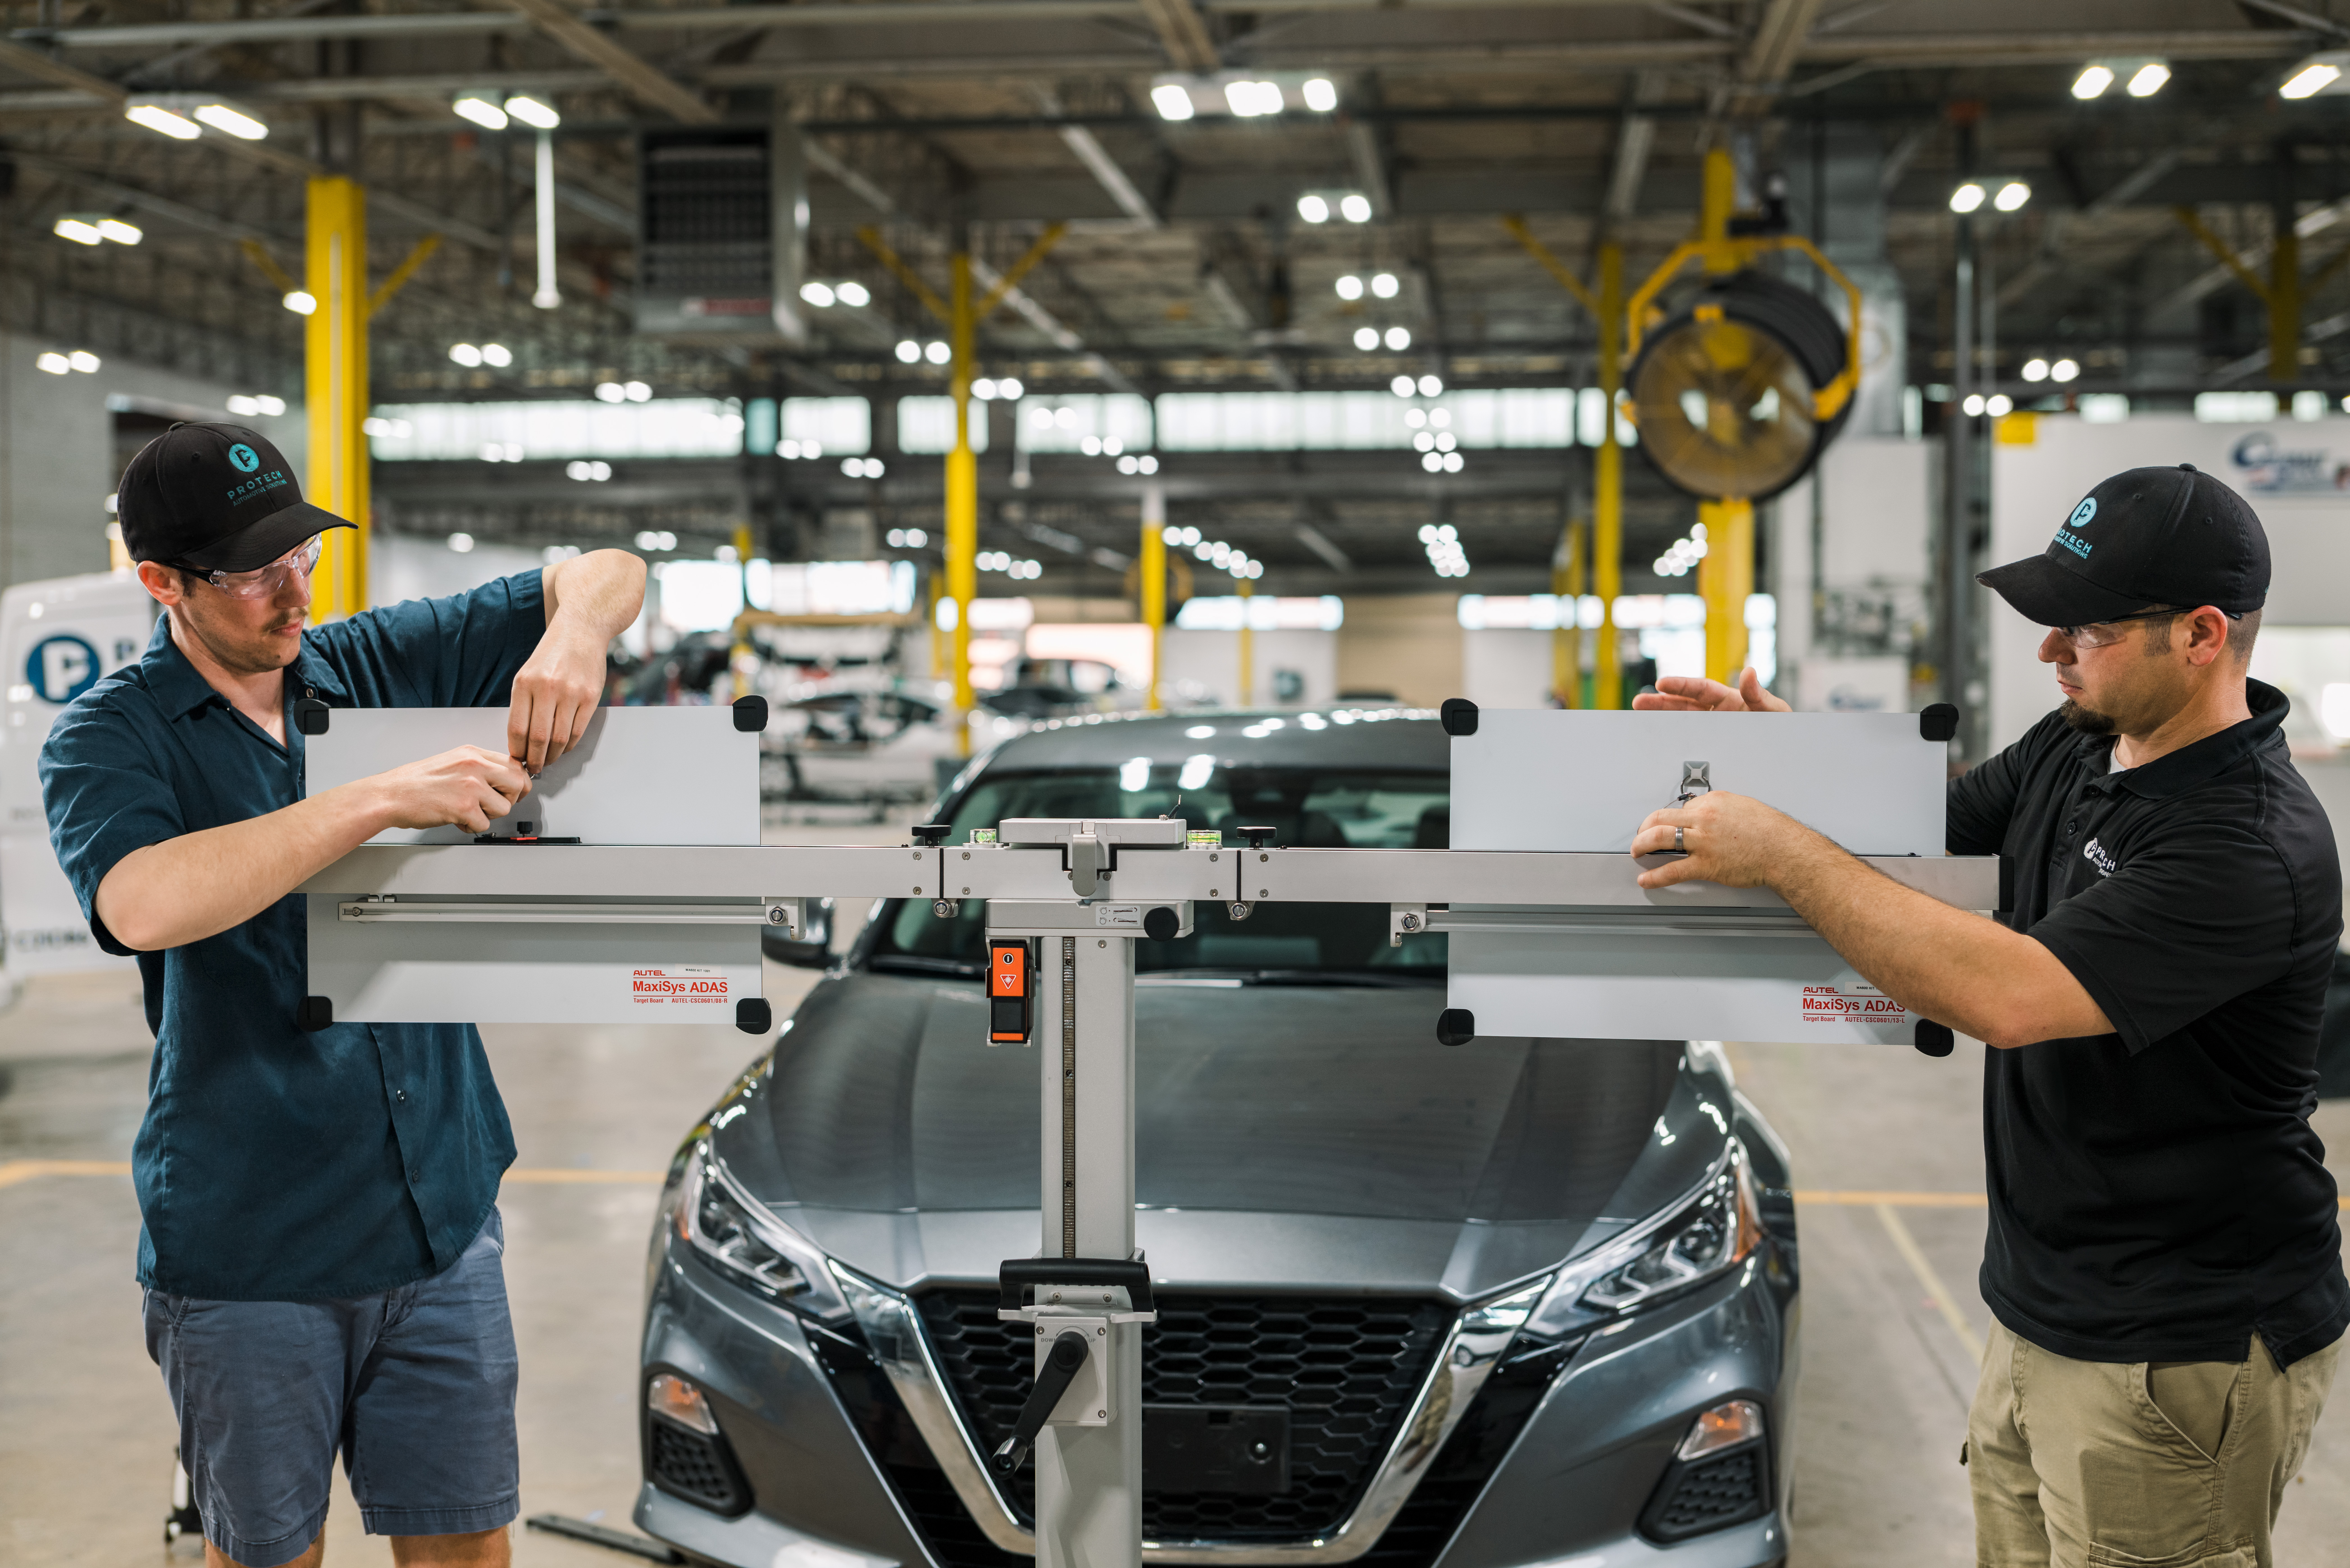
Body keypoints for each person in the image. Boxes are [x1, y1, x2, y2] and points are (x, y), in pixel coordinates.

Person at [1628, 463, 2343, 1567]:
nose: (2050, 655)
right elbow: (1931, 820)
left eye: (2086, 630)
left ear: (2201, 635)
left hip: (2173, 1346)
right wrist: (1786, 750)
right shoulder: (2083, 739)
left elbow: (2004, 993)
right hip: (2041, 1304)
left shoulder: (2245, 844)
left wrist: (1776, 850)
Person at [39, 422, 646, 1568]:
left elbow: (607, 570)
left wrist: (574, 630)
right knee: (270, 1554)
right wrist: (370, 802)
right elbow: (143, 904)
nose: (293, 588)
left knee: (468, 1545)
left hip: (440, 1219)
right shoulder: (110, 736)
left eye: (302, 553)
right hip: (252, 1245)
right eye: (253, 571)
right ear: (161, 581)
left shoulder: (368, 663)